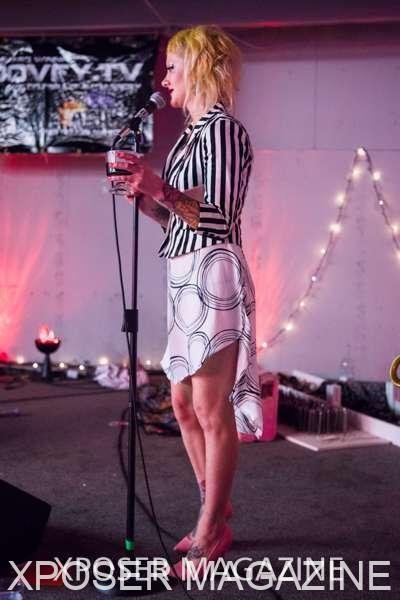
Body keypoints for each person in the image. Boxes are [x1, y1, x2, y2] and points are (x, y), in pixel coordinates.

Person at [108, 25, 263, 577]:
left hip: (212, 273)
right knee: (181, 404)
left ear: (198, 68)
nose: (164, 78)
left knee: (210, 407)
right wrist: (144, 199)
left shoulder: (223, 132)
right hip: (184, 272)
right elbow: (180, 219)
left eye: (173, 66)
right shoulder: (190, 138)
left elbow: (217, 219)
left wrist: (159, 188)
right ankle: (213, 507)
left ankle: (211, 527)